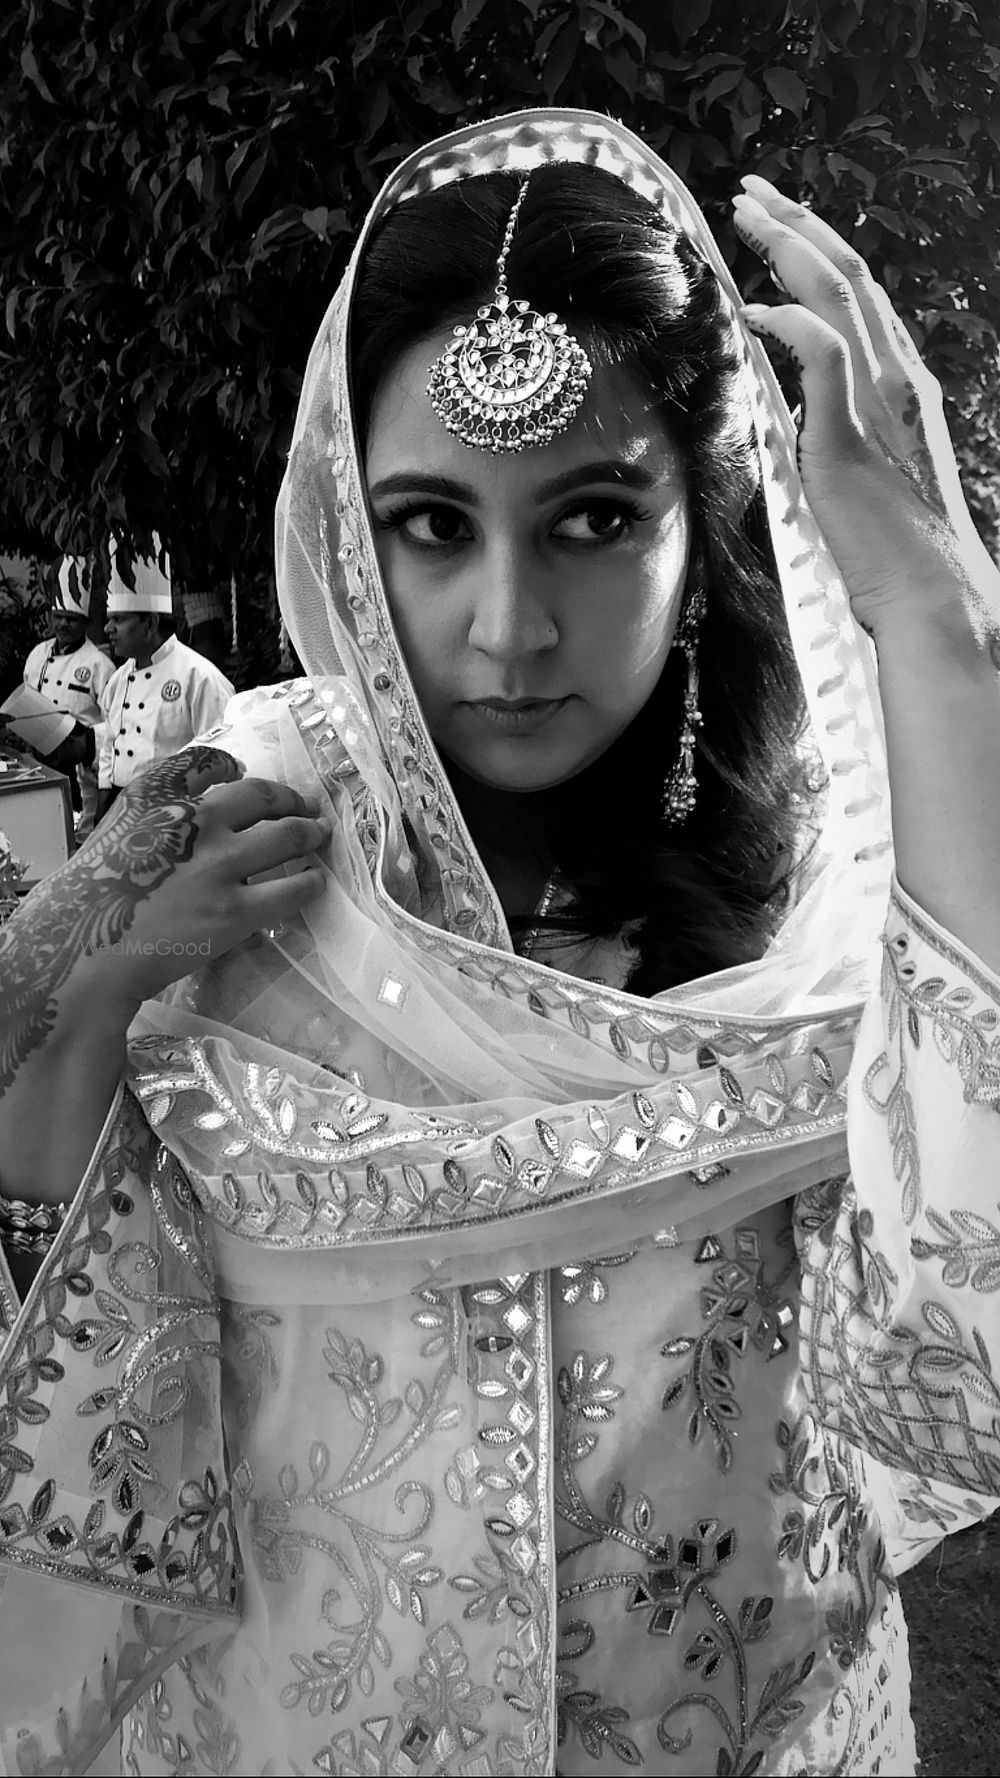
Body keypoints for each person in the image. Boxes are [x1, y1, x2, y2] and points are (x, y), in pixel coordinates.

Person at [1, 109, 999, 1778]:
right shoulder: (230, 828)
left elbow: (947, 1342)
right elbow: (81, 1358)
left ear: (705, 524)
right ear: (347, 518)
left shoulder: (834, 885)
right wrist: (103, 987)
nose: (509, 625)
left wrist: (934, 627)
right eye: (433, 525)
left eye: (595, 518)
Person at [95, 539, 235, 821]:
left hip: (177, 813)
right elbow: (110, 747)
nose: (108, 628)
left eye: (119, 620)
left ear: (151, 623)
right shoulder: (118, 680)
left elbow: (222, 758)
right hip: (122, 809)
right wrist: (103, 806)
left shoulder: (199, 677)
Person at [20, 556, 114, 836]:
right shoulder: (38, 654)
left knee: (78, 835)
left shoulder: (99, 664)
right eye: (58, 617)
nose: (63, 625)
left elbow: (112, 725)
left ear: (85, 623)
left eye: (71, 619)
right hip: (38, 761)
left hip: (80, 771)